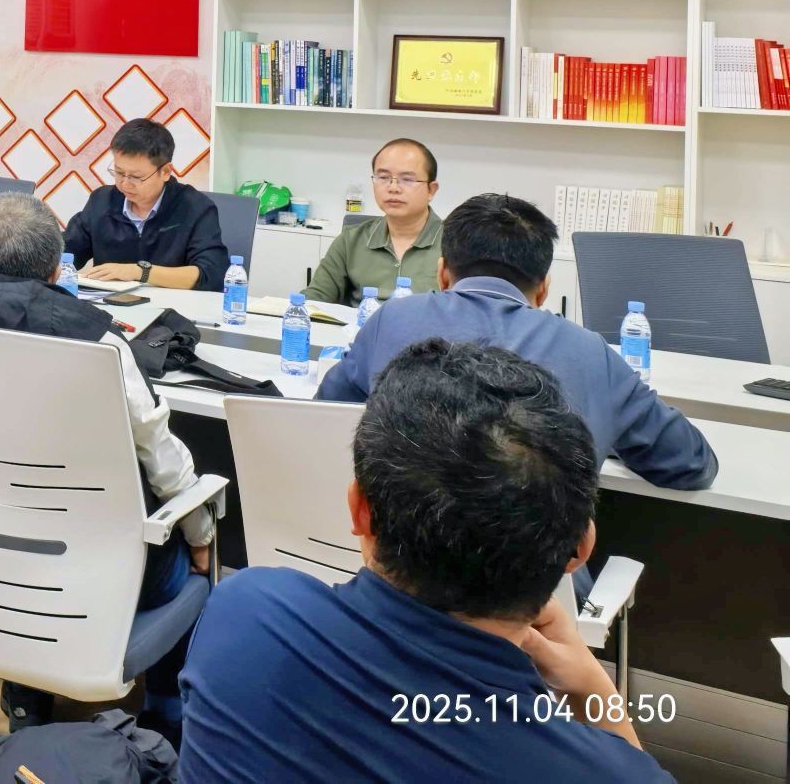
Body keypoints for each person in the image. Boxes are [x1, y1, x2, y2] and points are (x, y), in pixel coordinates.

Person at [180, 340, 673, 783]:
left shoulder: (244, 612)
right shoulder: (599, 771)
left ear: (359, 510)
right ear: (579, 549)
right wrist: (594, 694)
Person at [0, 193, 211, 737]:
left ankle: (26, 703)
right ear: (57, 270)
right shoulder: (99, 343)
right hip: (93, 566)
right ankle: (165, 718)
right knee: (194, 554)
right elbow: (163, 460)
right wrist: (200, 533)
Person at [317, 193, 716, 491]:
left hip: (395, 563)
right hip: (540, 579)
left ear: (442, 273)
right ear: (543, 289)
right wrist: (602, 429)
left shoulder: (391, 319)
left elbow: (324, 413)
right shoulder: (591, 352)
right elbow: (690, 462)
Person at [62, 118, 227, 291]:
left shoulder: (196, 208)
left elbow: (210, 274)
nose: (125, 184)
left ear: (165, 172)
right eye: (119, 172)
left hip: (173, 305)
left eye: (136, 177)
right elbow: (67, 250)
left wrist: (140, 272)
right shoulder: (102, 201)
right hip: (108, 304)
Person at [303, 138, 444, 306]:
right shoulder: (351, 240)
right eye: (383, 177)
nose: (393, 188)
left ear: (431, 190)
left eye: (407, 179)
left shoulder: (457, 244)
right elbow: (315, 298)